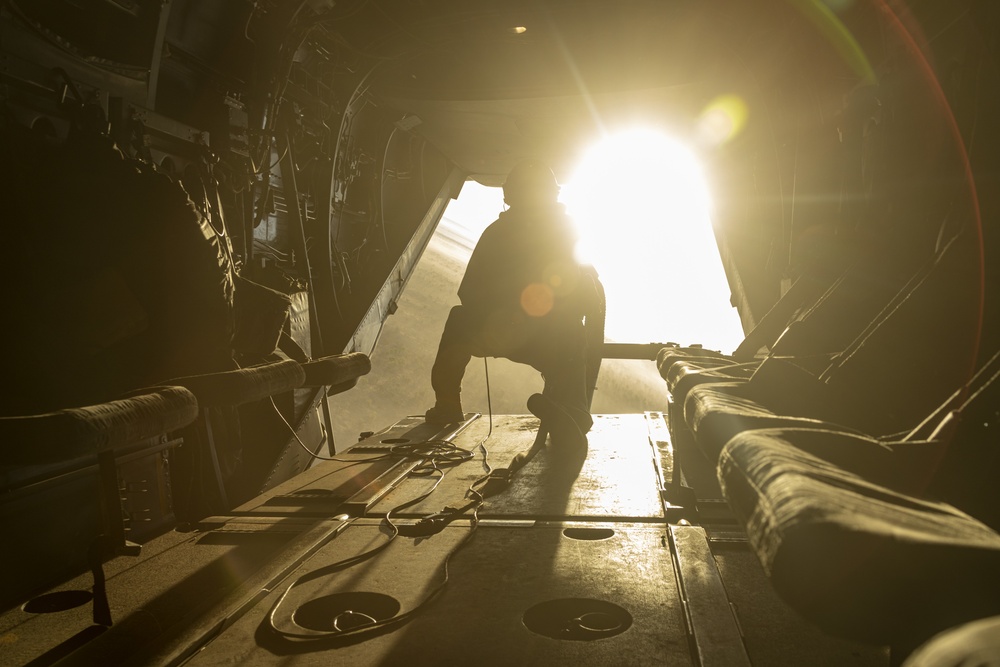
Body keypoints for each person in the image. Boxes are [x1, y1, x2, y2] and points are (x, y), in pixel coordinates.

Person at [425, 160, 601, 451]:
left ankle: (447, 404)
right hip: (547, 338)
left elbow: (468, 293)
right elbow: (586, 302)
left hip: (506, 333)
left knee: (459, 320)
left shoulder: (501, 232)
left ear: (510, 196)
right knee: (571, 335)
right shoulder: (567, 234)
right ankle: (572, 413)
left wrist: (499, 321)